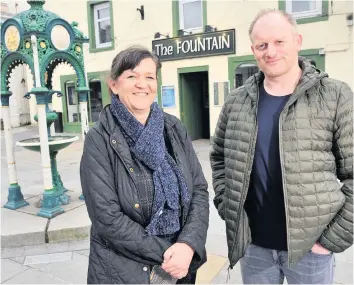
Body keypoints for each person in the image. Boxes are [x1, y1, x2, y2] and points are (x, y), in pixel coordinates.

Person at [210, 9, 353, 284]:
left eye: (279, 42)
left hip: (311, 251)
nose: (270, 52)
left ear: (297, 41)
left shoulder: (335, 96)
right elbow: (219, 159)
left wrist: (331, 240)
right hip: (254, 248)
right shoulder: (237, 101)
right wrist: (229, 209)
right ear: (253, 50)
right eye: (262, 45)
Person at [80, 46, 209, 284]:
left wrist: (189, 244)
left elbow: (199, 190)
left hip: (180, 267)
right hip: (126, 272)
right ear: (114, 85)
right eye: (132, 76)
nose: (142, 84)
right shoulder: (99, 139)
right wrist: (169, 254)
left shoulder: (173, 128)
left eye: (149, 77)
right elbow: (107, 218)